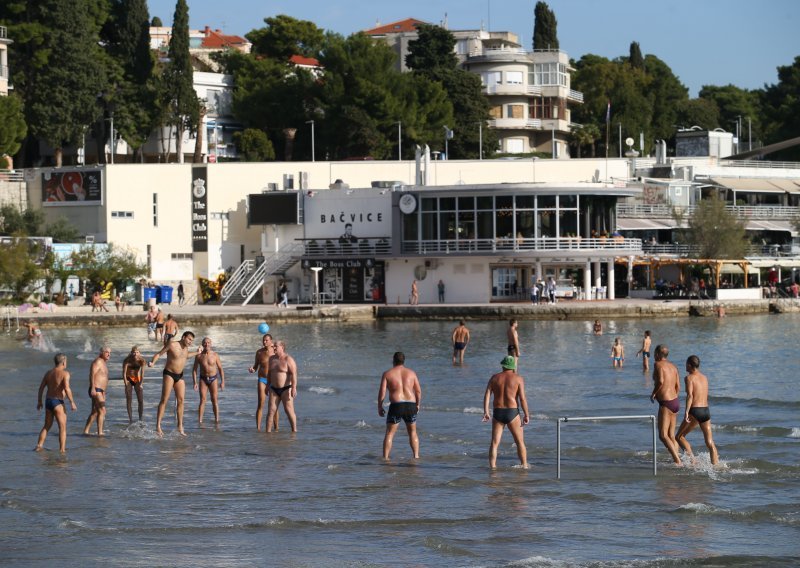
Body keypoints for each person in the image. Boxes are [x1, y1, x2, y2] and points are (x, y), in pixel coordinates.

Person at [149, 331, 200, 436]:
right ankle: (158, 426)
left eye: (192, 340)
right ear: (183, 337)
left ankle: (180, 427)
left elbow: (186, 356)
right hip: (169, 374)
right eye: (189, 339)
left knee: (181, 401)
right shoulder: (172, 345)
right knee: (164, 400)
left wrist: (197, 352)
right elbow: (159, 354)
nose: (190, 342)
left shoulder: (186, 348)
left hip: (180, 375)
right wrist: (153, 362)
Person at [482, 356, 530, 469]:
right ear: (513, 366)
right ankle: (524, 466)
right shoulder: (518, 378)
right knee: (520, 442)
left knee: (494, 443)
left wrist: (486, 412)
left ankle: (493, 467)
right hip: (512, 412)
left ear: (503, 365)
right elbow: (522, 399)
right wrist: (526, 414)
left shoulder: (494, 378)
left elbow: (487, 395)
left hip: (498, 412)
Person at [675, 355, 719, 465]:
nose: (685, 366)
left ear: (690, 365)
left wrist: (686, 412)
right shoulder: (705, 377)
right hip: (705, 411)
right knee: (709, 442)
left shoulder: (689, 378)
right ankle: (716, 465)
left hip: (694, 410)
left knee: (679, 437)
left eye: (686, 364)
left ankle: (693, 461)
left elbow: (690, 396)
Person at [377, 352, 421, 460]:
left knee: (390, 433)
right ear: (403, 360)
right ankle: (416, 456)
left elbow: (382, 393)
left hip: (396, 406)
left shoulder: (387, 374)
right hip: (410, 405)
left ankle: (386, 458)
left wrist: (380, 406)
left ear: (393, 360)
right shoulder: (412, 373)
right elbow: (418, 391)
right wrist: (418, 405)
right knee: (413, 433)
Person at [35, 353, 78, 453]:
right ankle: (62, 450)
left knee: (47, 426)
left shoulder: (48, 373)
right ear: (63, 362)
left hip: (48, 401)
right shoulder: (65, 374)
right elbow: (67, 388)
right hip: (58, 402)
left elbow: (41, 388)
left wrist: (39, 401)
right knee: (62, 428)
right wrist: (72, 402)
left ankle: (39, 446)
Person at [650, 345, 682, 465]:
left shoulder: (658, 364)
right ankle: (677, 458)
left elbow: (661, 381)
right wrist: (673, 398)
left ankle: (677, 461)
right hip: (675, 402)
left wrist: (653, 393)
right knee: (671, 435)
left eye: (654, 353)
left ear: (658, 354)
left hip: (666, 403)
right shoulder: (674, 366)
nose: (653, 356)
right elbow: (678, 386)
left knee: (663, 435)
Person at [266, 340, 298, 433]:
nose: (274, 348)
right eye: (273, 346)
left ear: (282, 347)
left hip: (286, 389)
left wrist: (294, 387)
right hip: (273, 389)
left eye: (276, 346)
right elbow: (269, 373)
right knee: (271, 411)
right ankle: (267, 433)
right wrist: (267, 385)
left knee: (289, 411)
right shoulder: (271, 359)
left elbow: (294, 374)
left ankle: (294, 431)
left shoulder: (288, 359)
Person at [248, 334, 279, 431]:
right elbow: (256, 366)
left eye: (266, 340)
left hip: (273, 380)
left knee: (274, 406)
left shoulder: (275, 351)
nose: (264, 342)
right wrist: (252, 369)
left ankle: (276, 428)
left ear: (271, 341)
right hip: (262, 379)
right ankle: (258, 428)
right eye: (263, 340)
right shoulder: (259, 352)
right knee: (260, 404)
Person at [193, 337, 225, 425]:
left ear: (211, 344)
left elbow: (220, 369)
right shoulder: (199, 356)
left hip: (213, 379)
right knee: (202, 400)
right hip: (203, 379)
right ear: (202, 344)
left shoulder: (215, 355)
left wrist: (222, 381)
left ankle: (217, 420)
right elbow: (194, 369)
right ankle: (200, 421)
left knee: (214, 400)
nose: (207, 344)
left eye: (208, 342)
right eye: (205, 343)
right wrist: (195, 382)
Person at [83, 346, 112, 436]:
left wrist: (104, 392)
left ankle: (86, 431)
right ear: (101, 353)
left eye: (110, 353)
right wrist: (92, 387)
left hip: (101, 391)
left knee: (95, 412)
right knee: (102, 410)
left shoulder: (104, 363)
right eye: (107, 352)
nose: (109, 354)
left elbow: (103, 378)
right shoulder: (98, 361)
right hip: (96, 389)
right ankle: (100, 433)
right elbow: (92, 374)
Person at [122, 345, 146, 423]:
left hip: (137, 379)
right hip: (128, 379)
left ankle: (140, 418)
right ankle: (130, 419)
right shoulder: (127, 360)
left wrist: (141, 384)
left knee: (140, 400)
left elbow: (142, 373)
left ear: (139, 353)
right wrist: (125, 383)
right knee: (129, 399)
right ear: (131, 353)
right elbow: (124, 373)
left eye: (137, 352)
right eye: (134, 352)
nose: (135, 354)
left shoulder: (142, 361)